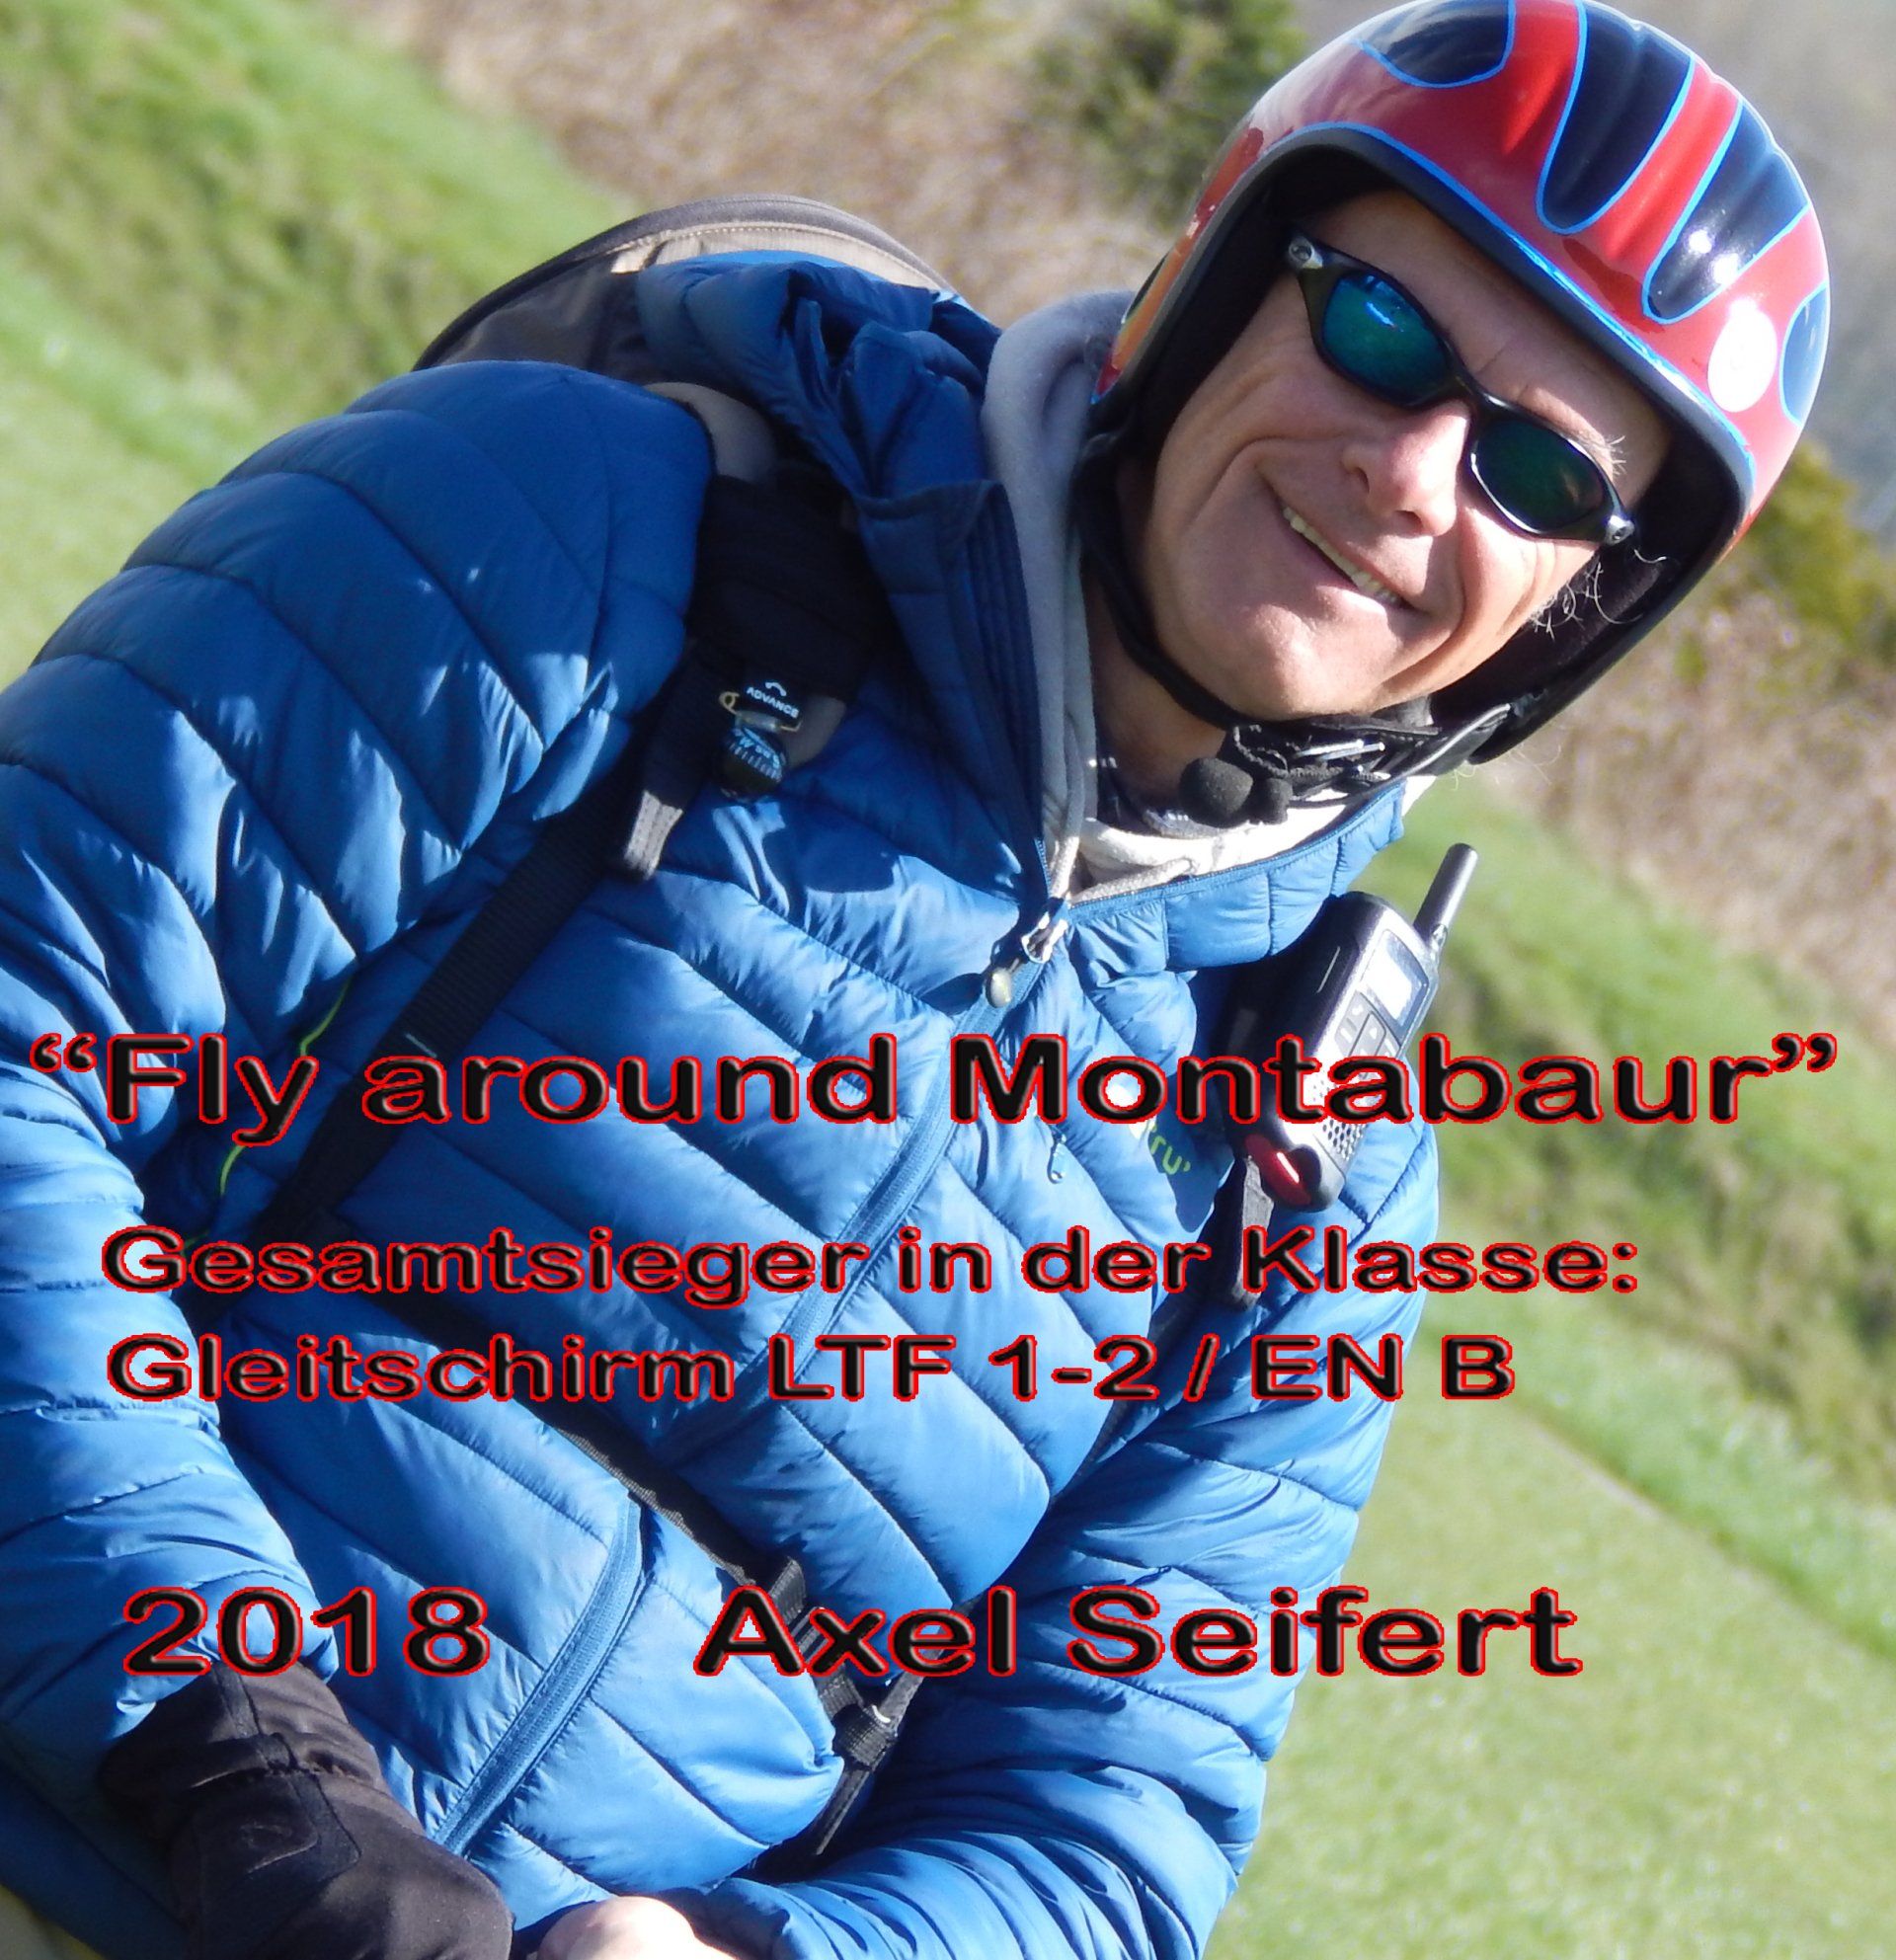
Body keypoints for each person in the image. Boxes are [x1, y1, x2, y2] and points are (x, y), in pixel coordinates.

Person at [0, 3, 1826, 1958]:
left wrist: (748, 1955)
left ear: (1578, 612)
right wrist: (247, 1763)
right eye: (1378, 331)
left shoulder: (1312, 1138)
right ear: (1210, 284)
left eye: (1539, 474)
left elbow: (1109, 1823)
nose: (1415, 473)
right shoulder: (578, 528)